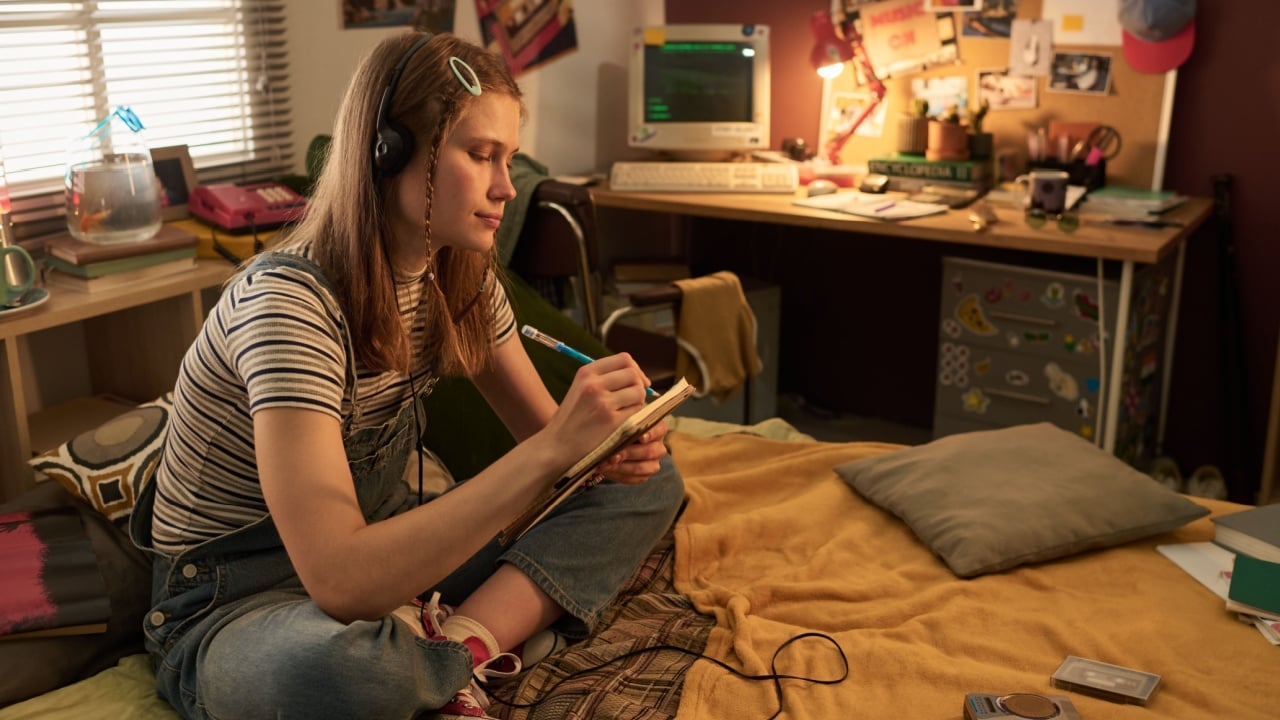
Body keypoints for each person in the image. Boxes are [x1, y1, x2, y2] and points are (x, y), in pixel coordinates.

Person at [129, 31, 684, 720]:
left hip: (381, 559)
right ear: (388, 153)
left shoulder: (461, 273)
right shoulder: (288, 307)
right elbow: (338, 580)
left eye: (507, 158)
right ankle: (435, 657)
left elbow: (559, 460)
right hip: (235, 604)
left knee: (650, 481)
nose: (506, 187)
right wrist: (553, 449)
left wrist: (605, 444)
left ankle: (463, 647)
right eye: (481, 155)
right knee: (341, 673)